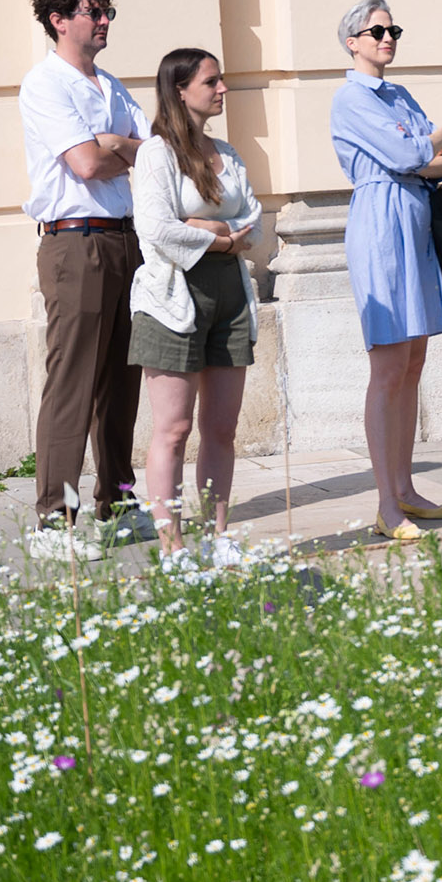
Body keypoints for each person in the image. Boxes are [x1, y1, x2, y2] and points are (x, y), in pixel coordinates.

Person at [329, 0, 442, 541]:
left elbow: (441, 159)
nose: (388, 38)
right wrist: (429, 145)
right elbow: (414, 152)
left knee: (413, 361)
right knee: (388, 368)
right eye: (377, 31)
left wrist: (426, 150)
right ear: (353, 41)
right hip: (381, 224)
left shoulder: (399, 94)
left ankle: (406, 488)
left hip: (414, 223)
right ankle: (387, 503)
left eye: (393, 30)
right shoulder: (350, 99)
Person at [18, 0, 147, 530]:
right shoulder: (45, 84)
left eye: (107, 12)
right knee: (73, 379)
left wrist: (116, 145)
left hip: (124, 236)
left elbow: (160, 152)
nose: (104, 22)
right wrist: (120, 148)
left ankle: (117, 503)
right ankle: (54, 514)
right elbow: (86, 164)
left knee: (123, 379)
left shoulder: (112, 86)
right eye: (94, 12)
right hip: (75, 240)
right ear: (59, 19)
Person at [128, 47, 258, 558]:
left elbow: (256, 221)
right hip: (172, 296)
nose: (223, 89)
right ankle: (172, 547)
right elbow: (156, 229)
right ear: (180, 90)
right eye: (212, 82)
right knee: (174, 429)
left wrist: (210, 231)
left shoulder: (230, 154)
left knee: (222, 429)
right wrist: (218, 236)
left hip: (229, 293)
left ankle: (219, 538)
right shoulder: (156, 154)